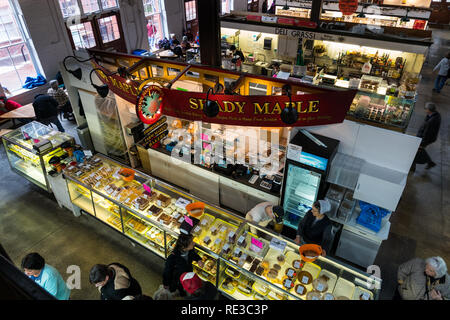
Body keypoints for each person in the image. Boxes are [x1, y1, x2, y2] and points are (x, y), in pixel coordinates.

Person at [411, 102, 441, 171]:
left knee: (417, 150)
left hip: (426, 138)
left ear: (429, 110)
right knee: (420, 150)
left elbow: (427, 133)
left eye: (426, 109)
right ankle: (430, 163)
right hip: (426, 137)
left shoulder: (432, 121)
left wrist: (422, 143)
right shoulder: (434, 115)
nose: (425, 110)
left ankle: (413, 167)